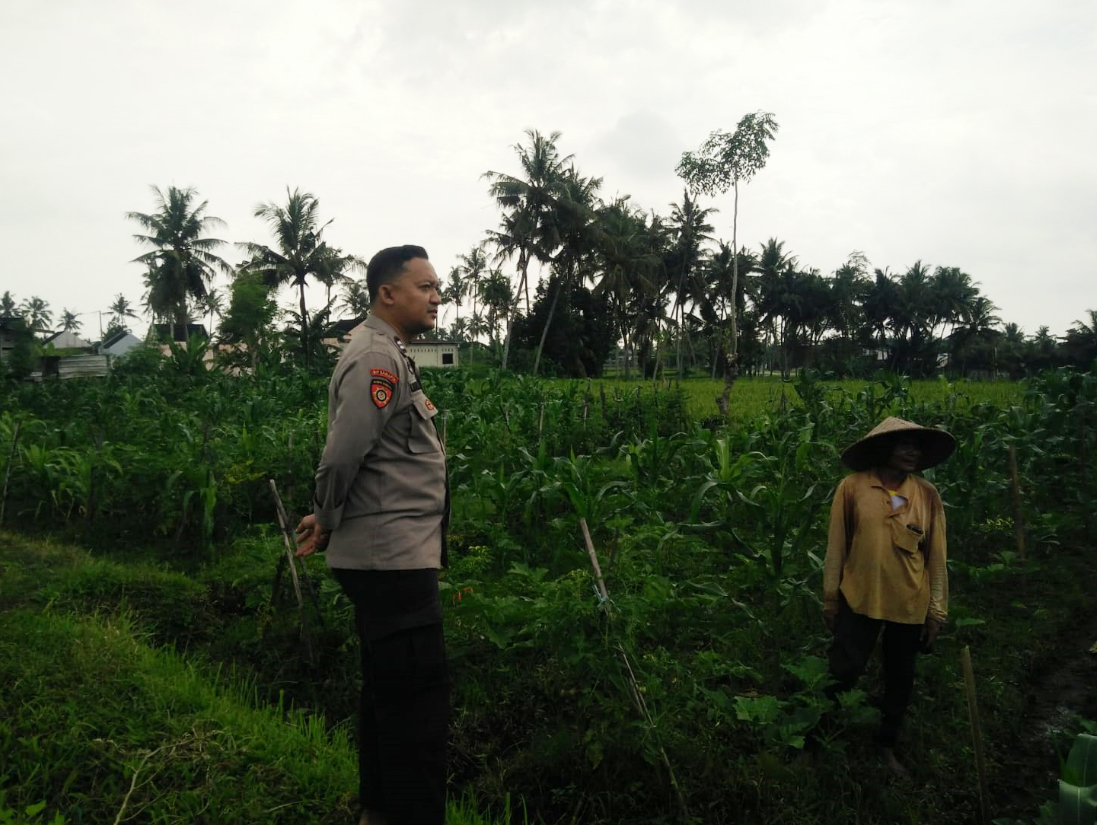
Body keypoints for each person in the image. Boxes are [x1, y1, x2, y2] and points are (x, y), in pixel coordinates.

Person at [296, 245, 449, 825]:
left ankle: (379, 812)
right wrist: (327, 515)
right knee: (418, 710)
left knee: (390, 694)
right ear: (388, 293)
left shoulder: (387, 351)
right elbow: (342, 454)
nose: (436, 297)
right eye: (424, 287)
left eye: (436, 287)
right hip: (393, 561)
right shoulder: (377, 359)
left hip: (392, 556)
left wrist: (327, 516)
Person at [822, 416, 955, 776]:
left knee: (900, 677)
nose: (912, 452)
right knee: (842, 670)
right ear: (884, 449)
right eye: (904, 445)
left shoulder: (926, 494)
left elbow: (936, 557)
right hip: (859, 596)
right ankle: (816, 740)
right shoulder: (852, 488)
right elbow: (837, 546)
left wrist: (937, 612)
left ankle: (886, 745)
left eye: (916, 447)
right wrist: (831, 597)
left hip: (909, 602)